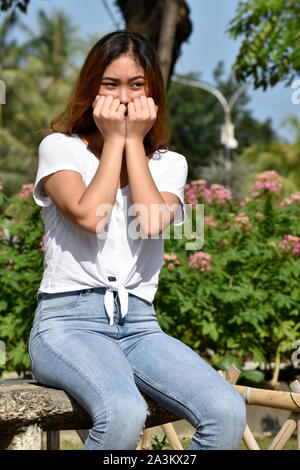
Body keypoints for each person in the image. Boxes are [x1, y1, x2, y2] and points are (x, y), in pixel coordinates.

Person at [28, 30, 246, 450]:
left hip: (140, 326)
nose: (124, 97)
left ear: (153, 93)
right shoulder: (60, 149)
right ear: (92, 89)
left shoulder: (170, 164)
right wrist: (116, 140)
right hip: (67, 325)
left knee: (227, 412)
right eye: (110, 84)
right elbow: (91, 215)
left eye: (136, 85)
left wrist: (132, 144)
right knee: (124, 412)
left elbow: (150, 222)